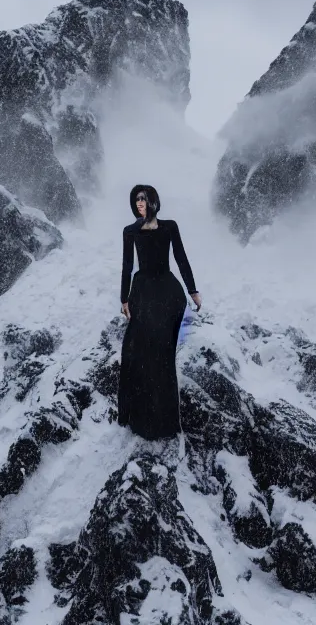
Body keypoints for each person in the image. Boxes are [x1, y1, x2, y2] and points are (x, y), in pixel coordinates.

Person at [118, 184, 202, 441]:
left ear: (153, 201)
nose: (139, 203)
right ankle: (139, 417)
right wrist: (124, 299)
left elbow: (181, 258)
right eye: (136, 200)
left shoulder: (169, 227)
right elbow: (127, 265)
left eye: (143, 199)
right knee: (134, 350)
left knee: (161, 355)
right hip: (142, 290)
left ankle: (163, 421)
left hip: (166, 290)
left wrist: (193, 290)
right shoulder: (130, 231)